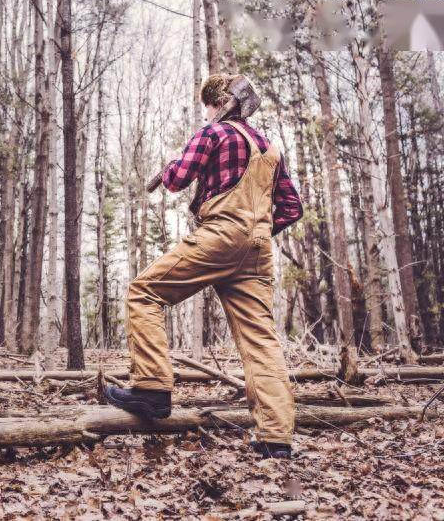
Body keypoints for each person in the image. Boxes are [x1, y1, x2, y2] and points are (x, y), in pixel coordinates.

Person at [104, 74, 304, 459]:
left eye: (207, 106)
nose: (207, 112)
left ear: (216, 103)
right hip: (259, 248)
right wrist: (255, 233)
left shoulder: (212, 133)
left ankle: (151, 389)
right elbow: (292, 209)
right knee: (261, 341)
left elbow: (178, 180)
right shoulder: (271, 148)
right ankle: (276, 439)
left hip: (222, 234)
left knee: (143, 292)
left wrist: (170, 167)